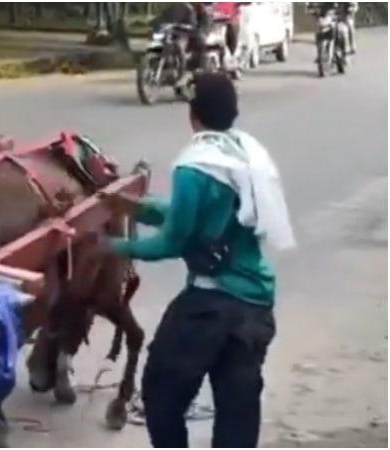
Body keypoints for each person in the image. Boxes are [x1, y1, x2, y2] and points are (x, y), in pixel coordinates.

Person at [102, 73, 295, 447]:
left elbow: (171, 243)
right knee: (237, 410)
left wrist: (112, 248)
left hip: (211, 306)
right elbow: (198, 215)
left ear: (192, 116)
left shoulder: (195, 165)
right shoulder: (244, 153)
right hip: (255, 306)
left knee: (160, 394)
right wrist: (137, 209)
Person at [152, 2, 211, 74]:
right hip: (175, 32)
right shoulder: (177, 6)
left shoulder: (198, 7)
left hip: (191, 33)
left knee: (200, 41)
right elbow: (163, 17)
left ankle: (201, 67)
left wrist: (200, 29)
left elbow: (205, 21)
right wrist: (156, 23)